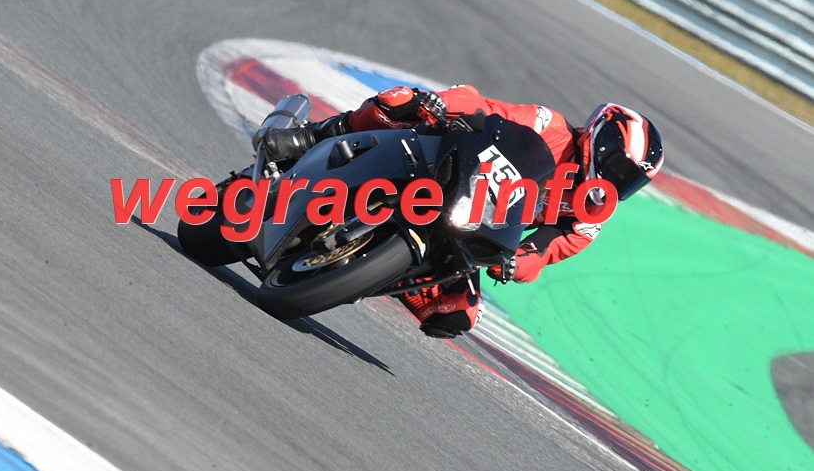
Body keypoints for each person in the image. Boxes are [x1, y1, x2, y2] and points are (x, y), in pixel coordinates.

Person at [262, 85, 664, 339]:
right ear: (601, 139)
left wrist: (516, 263)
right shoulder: (549, 126)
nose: (619, 182)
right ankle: (311, 136)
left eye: (631, 181)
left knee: (459, 315)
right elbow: (482, 107)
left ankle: (355, 275)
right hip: (440, 166)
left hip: (469, 226)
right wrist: (444, 104)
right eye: (621, 169)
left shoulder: (594, 209)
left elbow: (546, 250)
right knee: (397, 101)